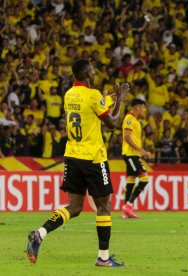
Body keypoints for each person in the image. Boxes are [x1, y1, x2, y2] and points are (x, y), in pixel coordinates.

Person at [26, 59, 129, 267]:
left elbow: (92, 105)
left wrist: (111, 97)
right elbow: (112, 123)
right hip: (93, 158)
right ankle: (103, 257)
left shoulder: (69, 94)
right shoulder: (93, 95)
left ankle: (40, 233)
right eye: (92, 69)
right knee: (104, 207)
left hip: (72, 156)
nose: (94, 70)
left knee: (73, 207)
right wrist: (120, 100)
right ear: (88, 74)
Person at [121, 98, 151, 219]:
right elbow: (127, 137)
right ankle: (129, 205)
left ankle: (126, 211)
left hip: (133, 154)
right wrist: (140, 150)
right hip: (130, 154)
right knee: (144, 179)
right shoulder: (129, 119)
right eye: (143, 107)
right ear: (137, 107)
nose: (144, 110)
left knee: (131, 179)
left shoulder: (136, 121)